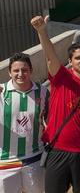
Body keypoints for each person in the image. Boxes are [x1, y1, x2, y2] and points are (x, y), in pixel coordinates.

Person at [31, 15, 80, 192]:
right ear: (70, 62)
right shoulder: (61, 77)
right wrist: (42, 32)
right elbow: (50, 56)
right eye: (78, 58)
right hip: (58, 149)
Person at [0, 53, 48, 193]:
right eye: (16, 70)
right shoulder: (1, 92)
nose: (20, 74)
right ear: (9, 72)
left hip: (35, 158)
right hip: (5, 161)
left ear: (31, 71)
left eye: (24, 70)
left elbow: (51, 119)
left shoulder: (43, 92)